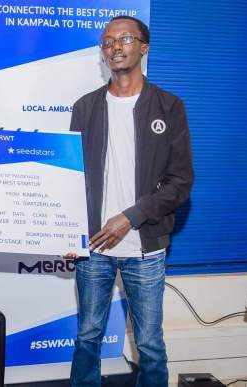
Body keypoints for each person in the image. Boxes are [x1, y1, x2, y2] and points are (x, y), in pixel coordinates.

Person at [67, 15, 194, 386]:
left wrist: (130, 217)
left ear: (143, 47)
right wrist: (64, 232)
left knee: (150, 344)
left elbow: (181, 182)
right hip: (93, 248)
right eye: (107, 42)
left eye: (124, 39)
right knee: (88, 337)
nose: (115, 47)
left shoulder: (169, 107)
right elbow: (70, 180)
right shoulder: (85, 107)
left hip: (146, 248)